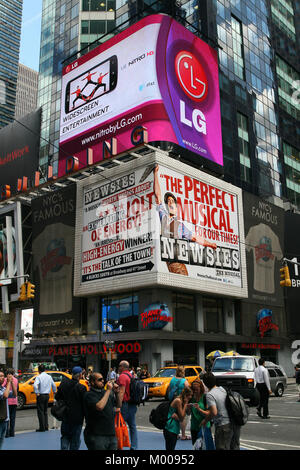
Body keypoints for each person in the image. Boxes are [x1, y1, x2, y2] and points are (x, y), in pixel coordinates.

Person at [153, 164, 217, 275]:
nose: (170, 203)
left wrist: (210, 244)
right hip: (172, 260)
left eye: (172, 201)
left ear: (176, 207)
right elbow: (158, 196)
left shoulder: (180, 226)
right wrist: (155, 174)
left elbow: (195, 237)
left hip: (177, 259)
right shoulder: (163, 216)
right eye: (168, 201)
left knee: (183, 280)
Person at [201, 372, 241, 450]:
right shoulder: (222, 389)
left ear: (205, 384)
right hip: (232, 423)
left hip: (222, 425)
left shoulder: (210, 395)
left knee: (222, 447)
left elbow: (214, 412)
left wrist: (205, 420)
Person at [84, 372, 121, 450]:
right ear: (92, 382)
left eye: (103, 379)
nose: (103, 381)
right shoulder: (89, 395)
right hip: (96, 434)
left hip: (111, 433)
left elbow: (119, 405)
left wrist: (117, 393)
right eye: (99, 380)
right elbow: (100, 407)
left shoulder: (105, 393)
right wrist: (108, 390)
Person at [55, 366, 87, 450]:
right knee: (75, 439)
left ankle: (64, 448)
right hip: (77, 418)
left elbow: (57, 397)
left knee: (65, 436)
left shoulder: (64, 384)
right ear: (80, 375)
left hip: (65, 415)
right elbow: (85, 404)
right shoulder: (82, 388)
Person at [117, 360, 138, 450]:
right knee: (132, 426)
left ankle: (119, 445)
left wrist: (118, 406)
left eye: (119, 366)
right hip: (132, 404)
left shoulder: (122, 376)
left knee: (119, 425)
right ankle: (134, 446)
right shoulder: (131, 375)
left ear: (122, 366)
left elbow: (121, 392)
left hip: (125, 404)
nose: (118, 367)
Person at [189, 378, 214, 449]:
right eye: (193, 390)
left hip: (204, 426)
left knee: (205, 447)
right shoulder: (191, 398)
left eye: (197, 389)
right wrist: (188, 408)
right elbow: (188, 413)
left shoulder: (205, 397)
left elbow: (209, 413)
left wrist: (199, 409)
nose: (195, 391)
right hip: (194, 426)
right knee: (195, 447)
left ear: (201, 388)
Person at [167, 366, 190, 440]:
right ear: (183, 372)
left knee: (174, 416)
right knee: (182, 417)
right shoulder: (184, 381)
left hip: (173, 400)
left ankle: (175, 433)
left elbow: (169, 389)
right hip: (181, 401)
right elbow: (189, 390)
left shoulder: (172, 379)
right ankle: (183, 435)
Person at [33, 364, 57, 432]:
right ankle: (46, 426)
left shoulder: (38, 377)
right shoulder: (49, 376)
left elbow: (35, 385)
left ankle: (42, 427)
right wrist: (54, 391)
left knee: (40, 411)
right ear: (45, 370)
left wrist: (37, 392)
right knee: (45, 411)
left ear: (39, 370)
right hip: (47, 395)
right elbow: (54, 385)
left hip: (41, 395)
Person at [0, 370, 17, 449]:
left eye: (3, 376)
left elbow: (14, 394)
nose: (2, 378)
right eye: (0, 376)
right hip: (0, 420)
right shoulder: (3, 390)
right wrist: (9, 383)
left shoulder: (3, 388)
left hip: (5, 419)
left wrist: (12, 382)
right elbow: (5, 396)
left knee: (1, 441)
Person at [3, 368, 18, 438]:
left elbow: (2, 387)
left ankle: (7, 433)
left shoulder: (5, 380)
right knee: (13, 418)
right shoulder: (16, 380)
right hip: (14, 401)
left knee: (7, 418)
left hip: (7, 401)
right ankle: (12, 432)